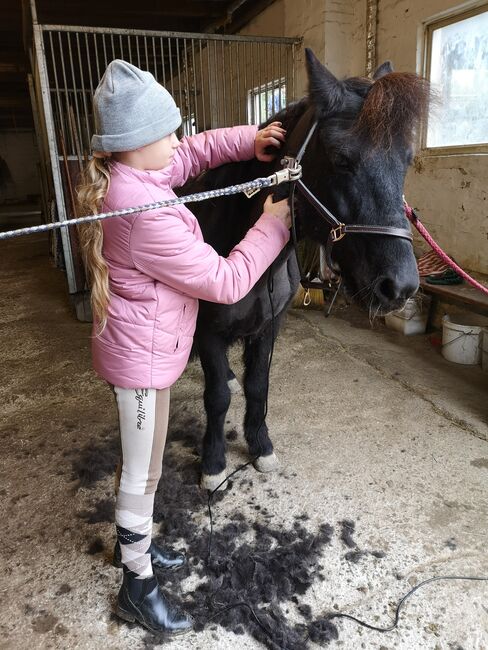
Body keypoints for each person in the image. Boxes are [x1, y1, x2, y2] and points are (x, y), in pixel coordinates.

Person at [76, 59, 291, 637]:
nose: (177, 140)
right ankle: (136, 587)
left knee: (143, 471)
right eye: (166, 131)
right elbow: (224, 281)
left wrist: (251, 140)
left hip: (148, 352)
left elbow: (191, 154)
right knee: (138, 475)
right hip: (140, 364)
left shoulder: (139, 173)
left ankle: (140, 550)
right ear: (134, 143)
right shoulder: (142, 210)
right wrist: (272, 224)